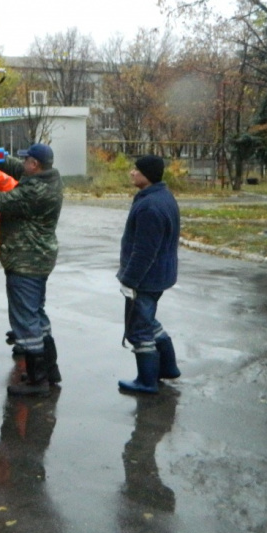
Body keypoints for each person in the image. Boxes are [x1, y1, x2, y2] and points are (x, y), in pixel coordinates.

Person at [0, 143, 64, 396]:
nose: (23, 163)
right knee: (36, 315)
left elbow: (0, 200)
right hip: (36, 259)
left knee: (25, 321)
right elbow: (12, 166)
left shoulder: (36, 190)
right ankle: (50, 371)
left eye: (27, 160)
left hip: (26, 262)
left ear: (35, 165)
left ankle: (37, 380)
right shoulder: (47, 177)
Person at [117, 154, 181, 394]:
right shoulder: (160, 197)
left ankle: (146, 381)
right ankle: (168, 368)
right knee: (148, 321)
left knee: (139, 329)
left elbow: (145, 251)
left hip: (146, 278)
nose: (132, 173)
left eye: (137, 170)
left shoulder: (150, 206)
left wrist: (129, 281)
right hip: (158, 275)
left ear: (148, 176)